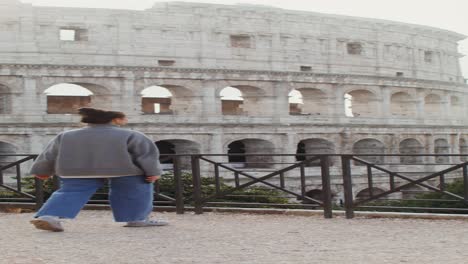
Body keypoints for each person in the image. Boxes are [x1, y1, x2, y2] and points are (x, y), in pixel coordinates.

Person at [29, 107, 168, 232]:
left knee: (71, 192)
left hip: (76, 170)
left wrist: (42, 170)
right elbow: (146, 155)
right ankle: (137, 218)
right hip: (124, 169)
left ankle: (49, 216)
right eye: (123, 117)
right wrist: (153, 172)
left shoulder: (66, 135)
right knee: (134, 190)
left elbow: (49, 154)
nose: (126, 120)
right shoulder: (131, 135)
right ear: (115, 120)